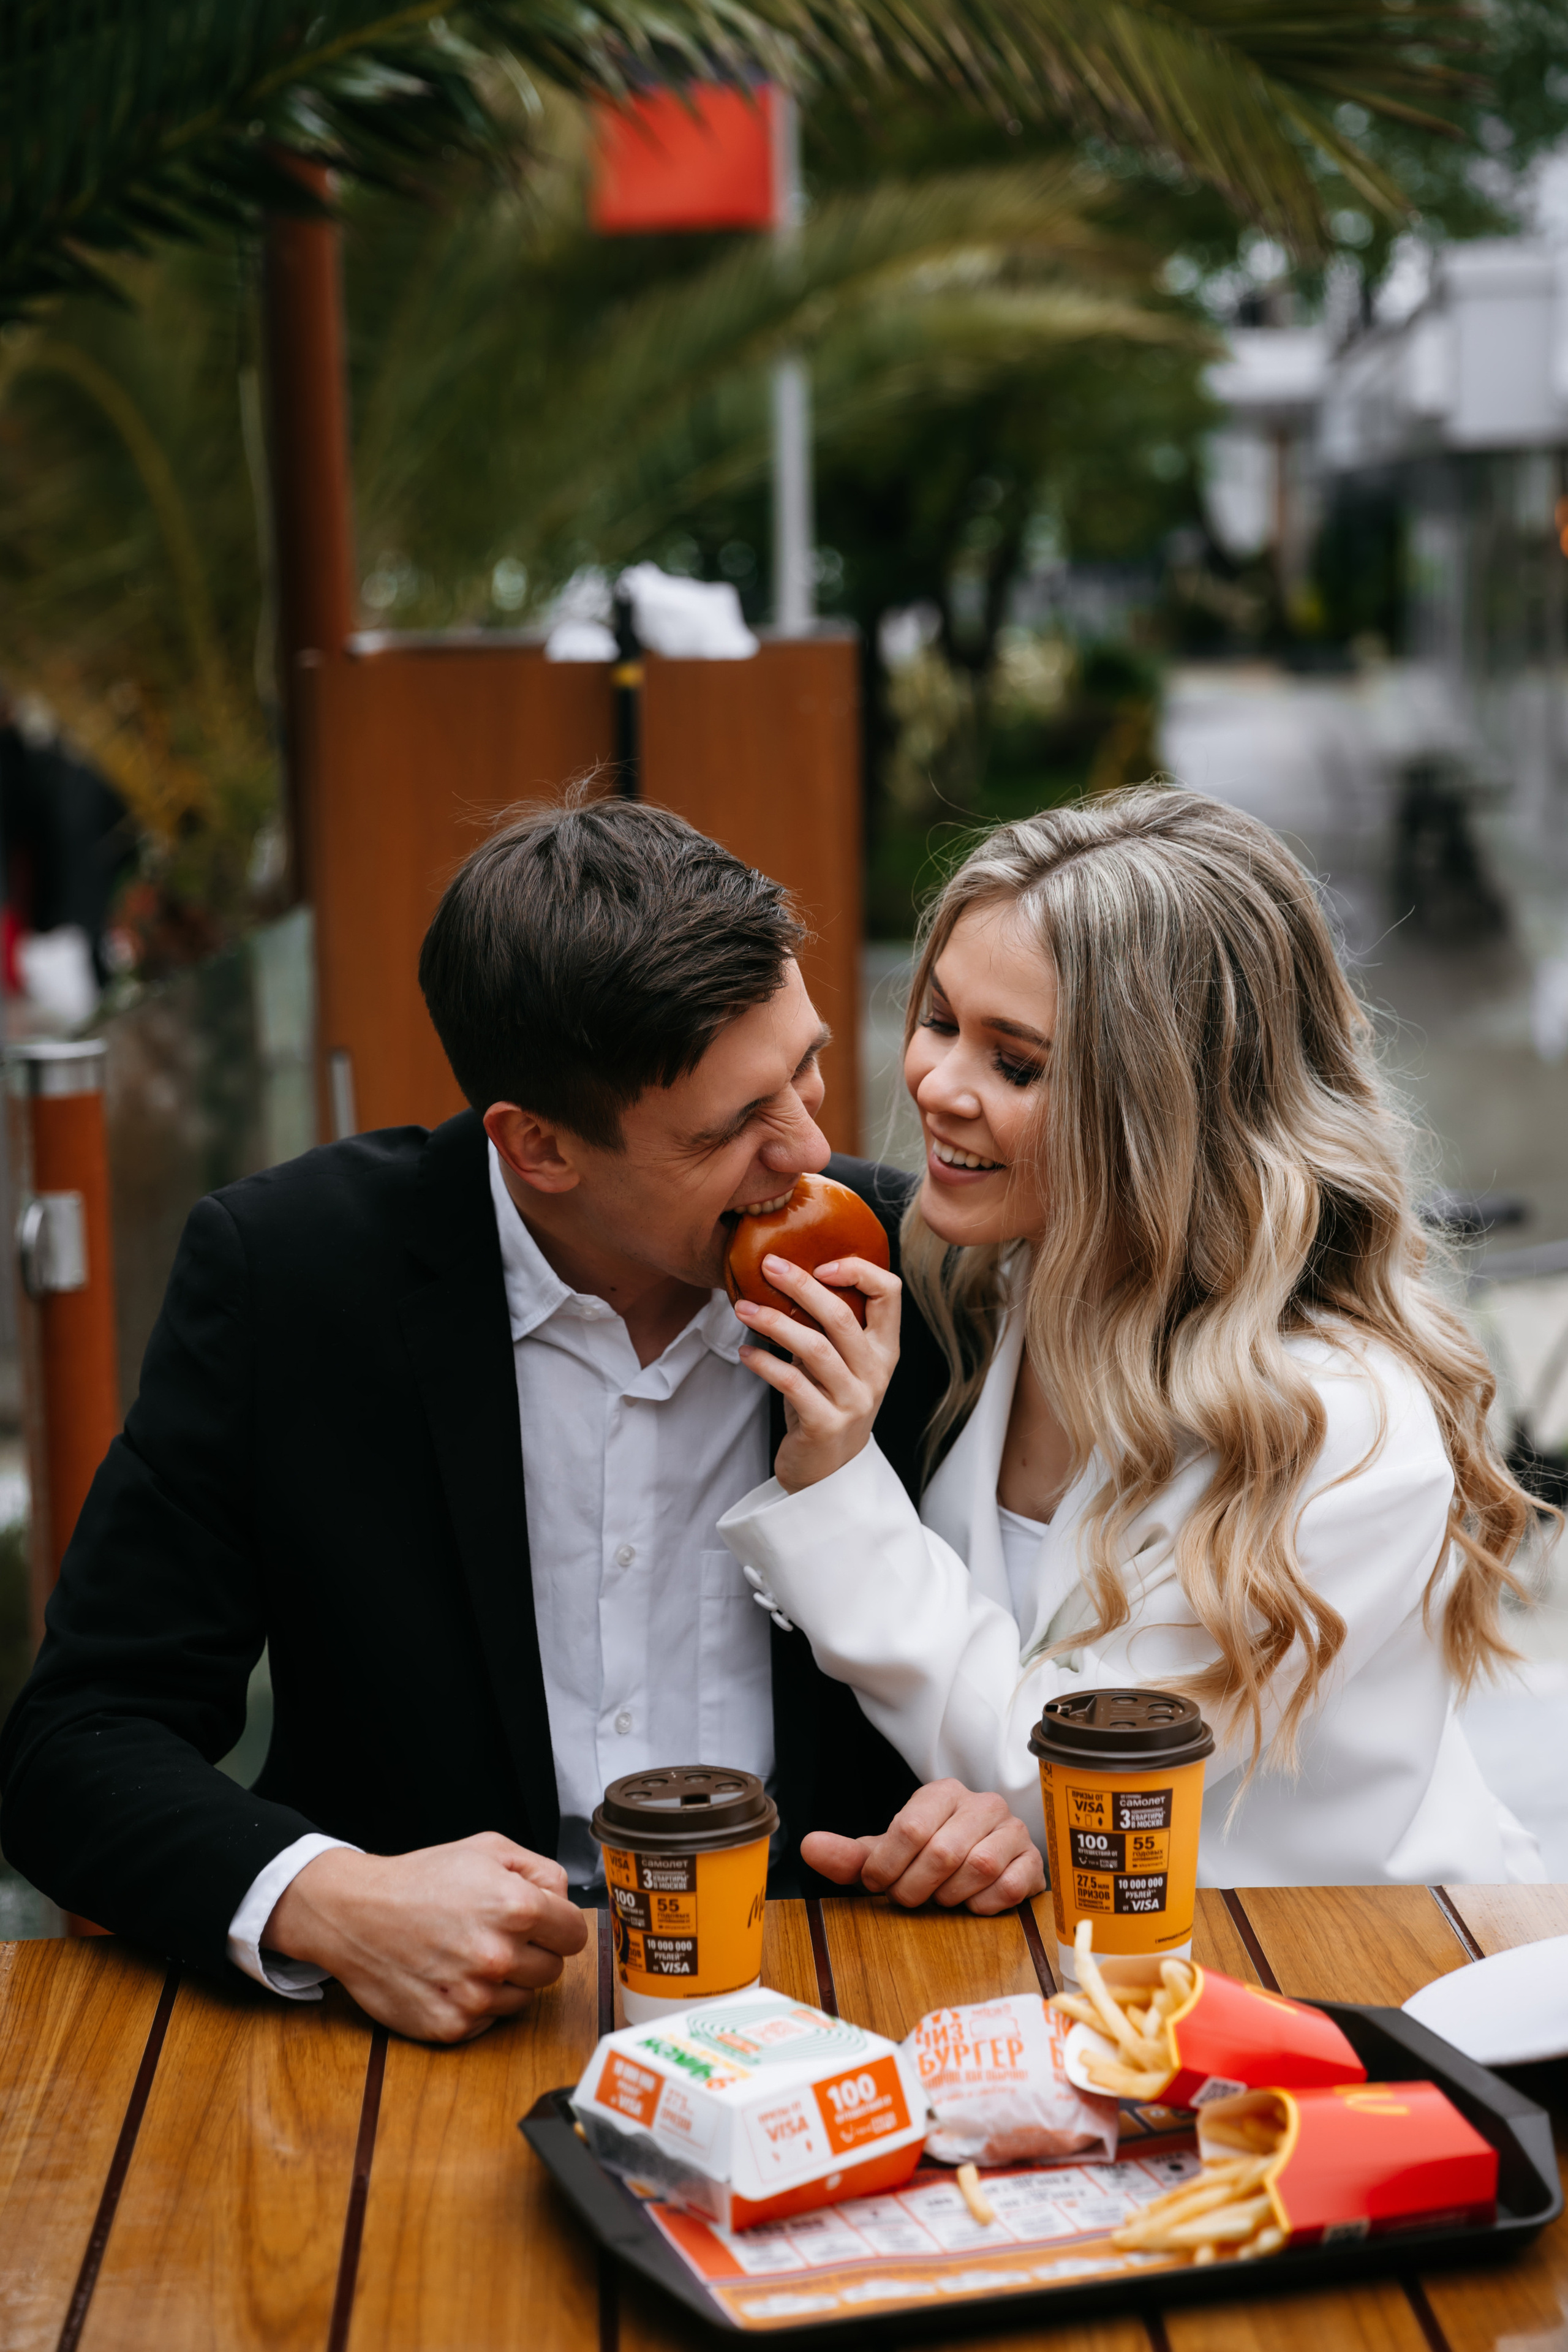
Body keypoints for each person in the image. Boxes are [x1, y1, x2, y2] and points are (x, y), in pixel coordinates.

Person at [0, 800, 1042, 2044]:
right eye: (729, 1129)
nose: (809, 1148)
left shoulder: (926, 1275)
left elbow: (1054, 1669)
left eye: (805, 1067)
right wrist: (331, 1899)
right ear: (536, 1147)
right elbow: (76, 1743)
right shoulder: (292, 1276)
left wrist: (994, 1815)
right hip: (418, 2037)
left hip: (841, 1995)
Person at [717, 786, 1547, 1887]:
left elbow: (1083, 1785)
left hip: (1356, 1987)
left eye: (1018, 1065)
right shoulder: (979, 1279)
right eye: (939, 1021)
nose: (937, 1086)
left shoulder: (1341, 1421)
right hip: (1095, 1987)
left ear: (1168, 1111)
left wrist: (835, 1488)